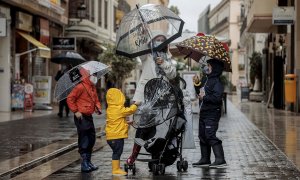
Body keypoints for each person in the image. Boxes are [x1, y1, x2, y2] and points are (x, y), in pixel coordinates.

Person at [126, 32, 177, 165]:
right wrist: (143, 35)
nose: (159, 42)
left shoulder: (168, 58)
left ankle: (156, 158)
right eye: (157, 40)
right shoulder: (147, 56)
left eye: (162, 40)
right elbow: (140, 50)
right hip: (146, 99)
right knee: (142, 128)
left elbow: (172, 75)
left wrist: (164, 63)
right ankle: (133, 156)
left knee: (159, 130)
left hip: (162, 100)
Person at [192, 58, 227, 168]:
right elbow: (200, 93)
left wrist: (205, 97)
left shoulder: (216, 82)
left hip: (212, 112)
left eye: (209, 66)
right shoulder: (206, 79)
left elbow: (217, 98)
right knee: (202, 135)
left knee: (210, 135)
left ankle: (220, 159)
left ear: (215, 68)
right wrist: (197, 83)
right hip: (204, 111)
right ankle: (205, 158)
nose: (207, 67)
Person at [67, 68, 102, 173]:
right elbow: (70, 99)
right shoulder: (80, 86)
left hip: (89, 116)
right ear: (88, 75)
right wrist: (76, 111)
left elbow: (95, 99)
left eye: (96, 75)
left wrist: (98, 108)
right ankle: (84, 163)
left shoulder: (92, 87)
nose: (95, 77)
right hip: (81, 116)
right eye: (93, 75)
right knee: (84, 139)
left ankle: (88, 161)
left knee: (91, 138)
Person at [105, 88, 139, 175]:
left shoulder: (110, 109)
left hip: (111, 136)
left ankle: (116, 167)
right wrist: (135, 104)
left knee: (116, 152)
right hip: (116, 137)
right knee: (117, 152)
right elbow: (130, 110)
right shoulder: (119, 109)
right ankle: (115, 169)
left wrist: (126, 123)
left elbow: (117, 121)